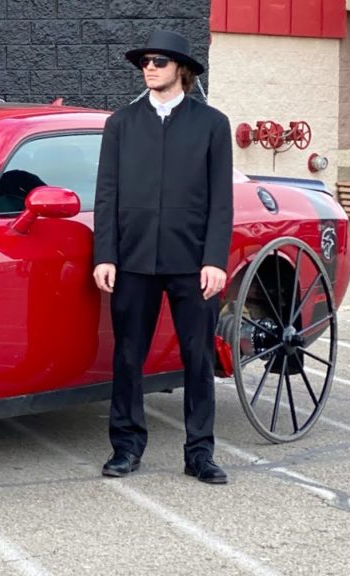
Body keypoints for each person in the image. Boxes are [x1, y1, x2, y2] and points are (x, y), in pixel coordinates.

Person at [92, 30, 234, 484]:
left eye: (158, 61)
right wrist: (105, 254)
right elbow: (106, 194)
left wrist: (215, 259)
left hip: (192, 262)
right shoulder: (121, 124)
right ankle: (126, 447)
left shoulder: (212, 124)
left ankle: (200, 453)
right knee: (128, 356)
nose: (148, 68)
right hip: (132, 261)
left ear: (181, 69)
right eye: (144, 62)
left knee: (197, 358)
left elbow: (221, 201)